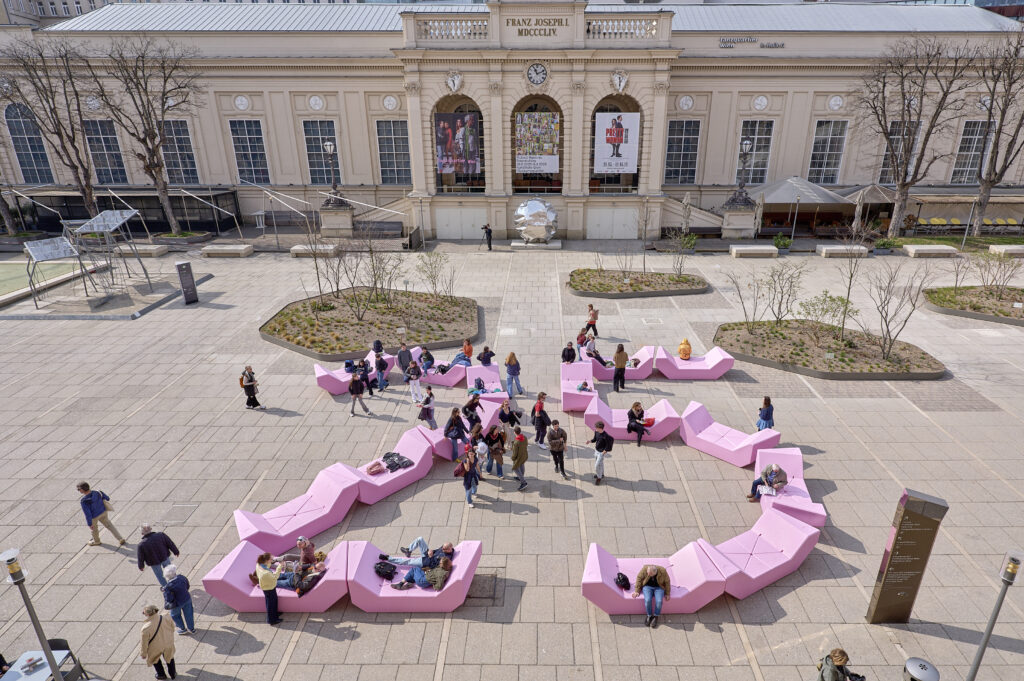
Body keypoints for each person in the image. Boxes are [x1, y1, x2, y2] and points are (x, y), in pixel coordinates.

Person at [78, 481, 125, 547]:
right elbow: (107, 498)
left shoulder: (84, 500)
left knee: (94, 529)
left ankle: (97, 541)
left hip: (94, 516)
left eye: (78, 489)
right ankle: (120, 538)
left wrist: (89, 523)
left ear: (82, 490)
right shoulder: (97, 492)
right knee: (109, 525)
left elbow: (87, 513)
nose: (78, 491)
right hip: (103, 512)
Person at [140, 604, 177, 679]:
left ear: (148, 614)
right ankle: (173, 673)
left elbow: (144, 643)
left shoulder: (146, 628)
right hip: (168, 642)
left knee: (155, 660)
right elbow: (172, 627)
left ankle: (161, 674)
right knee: (170, 657)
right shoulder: (166, 616)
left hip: (156, 646)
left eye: (144, 613)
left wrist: (143, 653)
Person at [161, 564, 195, 635]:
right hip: (187, 598)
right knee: (189, 614)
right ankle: (191, 628)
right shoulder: (181, 577)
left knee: (175, 615)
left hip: (177, 604)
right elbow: (187, 585)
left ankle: (182, 628)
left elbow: (169, 599)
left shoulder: (168, 587)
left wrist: (164, 592)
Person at [380, 537, 455, 568]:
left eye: (443, 548)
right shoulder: (445, 548)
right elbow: (437, 551)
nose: (441, 548)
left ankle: (388, 558)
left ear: (448, 550)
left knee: (407, 561)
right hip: (427, 554)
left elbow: (434, 566)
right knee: (420, 539)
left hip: (426, 562)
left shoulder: (446, 558)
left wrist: (431, 556)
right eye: (442, 547)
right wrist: (431, 551)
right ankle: (408, 550)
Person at [255, 552, 283, 625]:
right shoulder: (266, 573)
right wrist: (280, 566)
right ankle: (272, 620)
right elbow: (275, 577)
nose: (272, 560)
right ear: (267, 560)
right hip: (269, 588)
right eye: (271, 559)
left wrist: (273, 561)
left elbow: (268, 565)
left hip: (267, 586)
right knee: (271, 604)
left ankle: (275, 613)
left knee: (273, 601)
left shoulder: (259, 564)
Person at [510, 425, 529, 491]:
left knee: (515, 468)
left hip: (518, 457)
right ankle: (520, 477)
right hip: (524, 455)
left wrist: (512, 458)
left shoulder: (516, 442)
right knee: (521, 465)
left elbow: (515, 453)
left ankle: (523, 482)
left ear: (514, 432)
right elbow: (526, 444)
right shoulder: (525, 437)